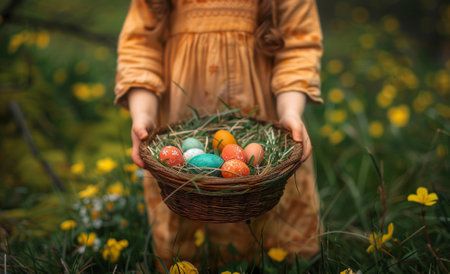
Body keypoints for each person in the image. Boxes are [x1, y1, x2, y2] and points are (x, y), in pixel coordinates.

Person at [114, 0, 323, 271]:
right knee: (190, 233)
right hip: (180, 126)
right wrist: (142, 114)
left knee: (271, 225)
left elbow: (298, 48)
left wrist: (290, 112)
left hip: (263, 124)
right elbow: (141, 48)